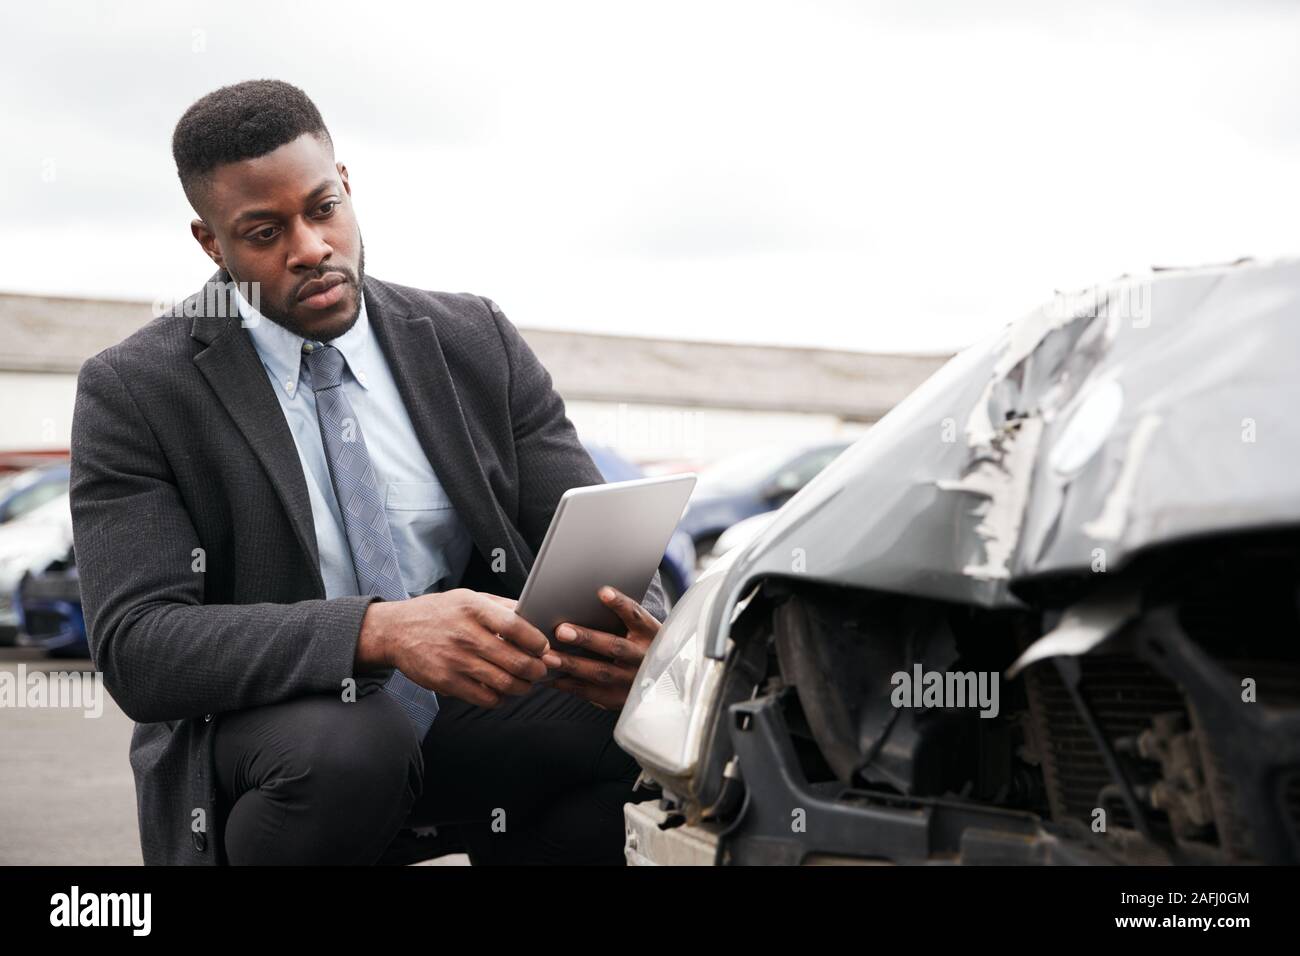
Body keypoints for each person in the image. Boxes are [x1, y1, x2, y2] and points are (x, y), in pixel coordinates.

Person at [69, 78, 665, 865]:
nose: (310, 248)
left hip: (463, 722)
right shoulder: (137, 390)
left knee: (630, 723)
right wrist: (378, 632)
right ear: (211, 243)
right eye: (263, 231)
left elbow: (597, 528)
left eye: (322, 209)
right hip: (283, 747)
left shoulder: (473, 338)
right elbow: (139, 649)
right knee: (353, 740)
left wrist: (638, 644)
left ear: (346, 186)